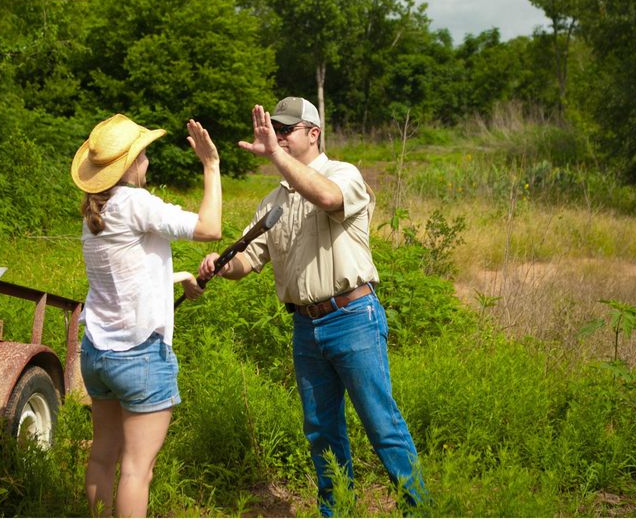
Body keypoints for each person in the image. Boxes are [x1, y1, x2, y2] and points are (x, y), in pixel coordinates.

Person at [198, 97, 426, 516]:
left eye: (287, 130)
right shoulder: (272, 202)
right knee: (322, 431)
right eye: (276, 130)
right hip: (306, 327)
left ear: (314, 133)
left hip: (352, 317)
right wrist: (222, 265)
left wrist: (275, 155)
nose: (279, 136)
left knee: (380, 422)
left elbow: (326, 197)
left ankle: (420, 509)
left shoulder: (343, 174)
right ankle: (336, 511)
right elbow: (249, 261)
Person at [71, 113, 221, 517]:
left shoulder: (95, 211)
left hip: (97, 353)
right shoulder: (135, 202)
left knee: (102, 457)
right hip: (138, 356)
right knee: (138, 471)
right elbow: (210, 228)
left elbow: (127, 276)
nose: (148, 161)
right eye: (143, 155)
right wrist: (211, 165)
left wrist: (181, 277)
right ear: (131, 164)